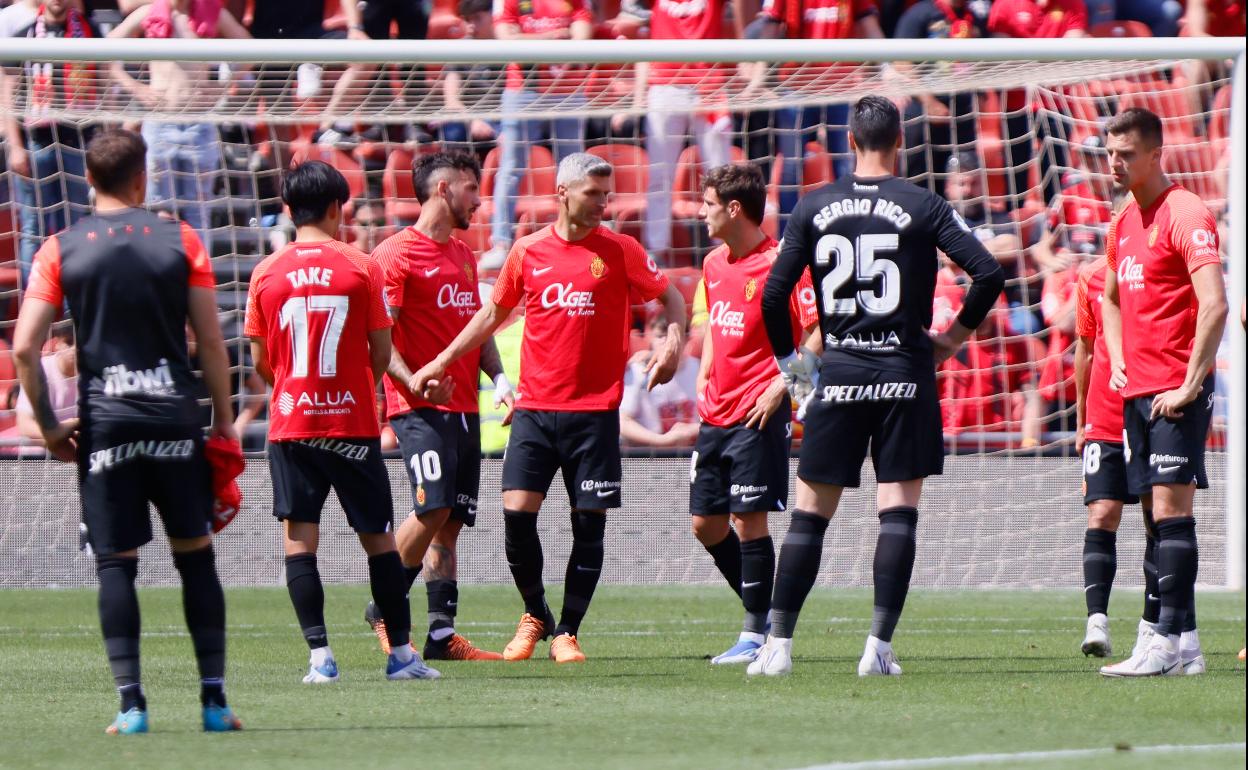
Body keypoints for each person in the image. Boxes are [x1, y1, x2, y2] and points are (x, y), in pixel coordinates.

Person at [751, 96, 1004, 677]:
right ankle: (877, 648)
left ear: (849, 140)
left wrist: (796, 371)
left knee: (811, 515)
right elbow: (989, 271)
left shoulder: (814, 205)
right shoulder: (923, 202)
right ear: (900, 142)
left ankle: (779, 645)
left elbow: (772, 297)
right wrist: (953, 338)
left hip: (837, 371)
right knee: (898, 514)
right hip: (904, 374)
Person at [412, 152, 687, 663]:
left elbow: (672, 300)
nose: (604, 203)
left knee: (590, 520)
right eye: (593, 194)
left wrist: (674, 341)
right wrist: (445, 358)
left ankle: (568, 631)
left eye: (607, 194)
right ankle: (536, 613)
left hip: (595, 413)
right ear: (562, 192)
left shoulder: (621, 250)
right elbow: (490, 315)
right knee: (516, 516)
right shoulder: (528, 251)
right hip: (535, 410)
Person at [12, 128, 243, 733]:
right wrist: (223, 422)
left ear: (86, 180)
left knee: (117, 566)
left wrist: (52, 424)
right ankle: (215, 704)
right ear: (144, 178)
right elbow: (212, 343)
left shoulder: (60, 248)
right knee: (196, 560)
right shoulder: (181, 237)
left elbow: (24, 349)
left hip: (106, 427)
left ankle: (132, 707)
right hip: (172, 418)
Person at [244, 160, 438, 683]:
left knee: (300, 540)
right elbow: (381, 351)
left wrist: (292, 389)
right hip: (351, 423)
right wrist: (352, 385)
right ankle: (400, 656)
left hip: (292, 425)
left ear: (287, 208)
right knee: (377, 539)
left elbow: (261, 359)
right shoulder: (362, 266)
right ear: (337, 208)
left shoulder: (266, 271)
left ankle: (320, 659)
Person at [366, 151, 510, 662]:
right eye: (472, 188)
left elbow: (477, 327)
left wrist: (500, 379)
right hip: (416, 408)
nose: (479, 197)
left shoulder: (464, 254)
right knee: (432, 507)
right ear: (444, 189)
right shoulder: (395, 254)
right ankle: (385, 606)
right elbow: (381, 340)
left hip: (465, 407)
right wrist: (413, 385)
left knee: (450, 520)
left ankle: (441, 634)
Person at [1097, 107, 1226, 677]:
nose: (1114, 163)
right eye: (1109, 152)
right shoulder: (1123, 220)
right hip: (1138, 392)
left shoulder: (1186, 212)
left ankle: (1164, 644)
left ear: (1156, 155)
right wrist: (1119, 361)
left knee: (1171, 515)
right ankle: (1186, 645)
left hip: (1176, 389)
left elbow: (1216, 304)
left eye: (1125, 154)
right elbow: (1109, 299)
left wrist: (1191, 384)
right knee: (1154, 518)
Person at [691, 163, 818, 664]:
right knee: (706, 524)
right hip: (714, 411)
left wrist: (784, 391)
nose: (702, 213)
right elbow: (716, 331)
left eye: (707, 205)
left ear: (733, 209)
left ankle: (753, 634)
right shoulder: (712, 264)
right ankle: (760, 614)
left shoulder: (785, 264)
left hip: (759, 412)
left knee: (749, 521)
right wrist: (702, 374)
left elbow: (817, 334)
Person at [1073, 249, 1204, 673]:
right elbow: (1086, 349)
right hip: (1106, 416)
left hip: (1154, 405)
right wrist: (1081, 418)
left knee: (1161, 518)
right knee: (1103, 512)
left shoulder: (1164, 271)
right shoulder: (1092, 279)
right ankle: (1098, 621)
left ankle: (1169, 632)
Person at [107, 0, 251, 253]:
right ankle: (161, 276)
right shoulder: (149, 12)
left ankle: (198, 282)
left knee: (198, 213)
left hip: (199, 124)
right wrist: (135, 87)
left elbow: (251, 50)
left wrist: (225, 86)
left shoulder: (213, 13)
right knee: (160, 209)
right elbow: (105, 48)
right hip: (160, 123)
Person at [478, 0, 592, 268]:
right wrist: (551, 37)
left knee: (574, 169)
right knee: (511, 167)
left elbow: (582, 39)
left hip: (569, 90)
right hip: (523, 89)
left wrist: (532, 42)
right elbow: (507, 39)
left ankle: (577, 235)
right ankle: (501, 242)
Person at [0, 0, 98, 286]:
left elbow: (105, 86)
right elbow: (7, 96)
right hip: (36, 144)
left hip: (78, 144)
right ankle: (35, 304)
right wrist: (15, 146)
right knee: (34, 229)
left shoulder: (91, 33)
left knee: (78, 226)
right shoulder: (25, 35)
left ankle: (72, 312)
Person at [619, 316, 700, 449]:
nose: (665, 342)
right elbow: (622, 421)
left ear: (685, 339)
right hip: (649, 456)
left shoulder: (699, 368)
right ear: (650, 339)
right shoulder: (638, 371)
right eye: (659, 336)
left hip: (692, 451)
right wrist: (661, 441)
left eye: (670, 337)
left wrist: (693, 430)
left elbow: (717, 418)